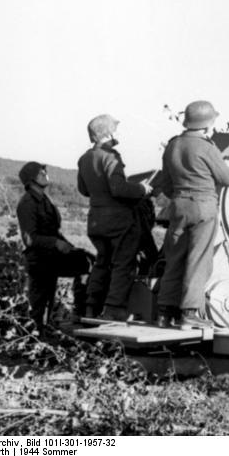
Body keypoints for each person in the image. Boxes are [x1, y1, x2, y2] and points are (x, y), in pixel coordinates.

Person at [156, 100, 229, 328]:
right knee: (198, 260)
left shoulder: (173, 145)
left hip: (178, 207)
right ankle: (189, 314)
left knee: (175, 259)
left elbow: (165, 184)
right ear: (208, 123)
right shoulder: (207, 147)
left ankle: (164, 313)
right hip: (203, 207)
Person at [78, 114, 152, 321]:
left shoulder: (85, 158)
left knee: (102, 262)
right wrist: (142, 189)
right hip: (118, 221)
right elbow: (118, 188)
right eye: (115, 129)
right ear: (108, 133)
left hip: (95, 220)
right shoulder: (110, 156)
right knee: (123, 264)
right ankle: (114, 308)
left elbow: (84, 189)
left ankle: (91, 306)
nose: (118, 133)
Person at [16, 162, 92, 331]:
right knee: (40, 306)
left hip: (52, 257)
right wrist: (56, 243)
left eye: (45, 171)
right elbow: (29, 239)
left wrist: (70, 247)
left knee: (86, 262)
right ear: (31, 180)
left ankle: (81, 314)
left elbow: (54, 231)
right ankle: (34, 336)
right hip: (39, 260)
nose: (45, 174)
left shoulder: (45, 200)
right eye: (40, 173)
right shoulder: (27, 203)